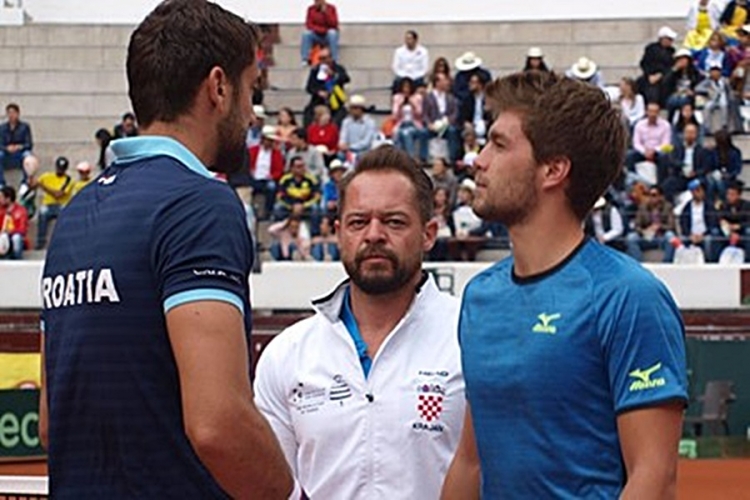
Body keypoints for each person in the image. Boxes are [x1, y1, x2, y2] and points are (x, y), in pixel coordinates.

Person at [38, 1, 294, 497]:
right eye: (249, 90)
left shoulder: (72, 217)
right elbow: (218, 423)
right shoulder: (200, 204)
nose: (251, 111)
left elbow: (51, 424)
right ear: (218, 87)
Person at [441, 71, 687, 499]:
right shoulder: (480, 297)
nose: (477, 160)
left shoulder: (628, 296)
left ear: (553, 170)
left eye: (499, 144)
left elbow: (654, 477)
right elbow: (470, 460)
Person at [255, 145, 464, 499]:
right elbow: (273, 488)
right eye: (358, 222)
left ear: (429, 234)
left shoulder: (469, 338)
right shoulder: (288, 354)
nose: (373, 235)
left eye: (394, 221)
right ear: (339, 234)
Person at [625, 185, 678, 263]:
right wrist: (644, 231)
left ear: (661, 196)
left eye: (654, 195)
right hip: (647, 237)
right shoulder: (643, 207)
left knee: (670, 236)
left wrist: (659, 226)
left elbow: (671, 225)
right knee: (631, 238)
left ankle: (667, 262)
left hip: (661, 237)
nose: (652, 198)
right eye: (650, 195)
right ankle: (639, 263)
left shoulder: (668, 207)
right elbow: (637, 225)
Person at [33, 156, 74, 250]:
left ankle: (62, 242)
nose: (60, 170)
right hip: (47, 205)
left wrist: (42, 186)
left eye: (62, 169)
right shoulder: (47, 176)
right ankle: (41, 241)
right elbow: (34, 185)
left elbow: (58, 194)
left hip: (61, 205)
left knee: (64, 213)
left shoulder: (69, 180)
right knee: (42, 213)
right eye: (59, 168)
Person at [304, 46, 350, 126]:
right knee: (308, 113)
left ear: (330, 58)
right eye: (321, 59)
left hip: (335, 102)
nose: (323, 61)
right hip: (319, 102)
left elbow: (346, 79)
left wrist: (333, 75)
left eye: (325, 58)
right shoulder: (315, 70)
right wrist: (318, 92)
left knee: (340, 116)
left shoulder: (338, 68)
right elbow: (309, 87)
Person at [679, 179, 721, 261]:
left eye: (699, 190)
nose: (698, 193)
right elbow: (683, 223)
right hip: (691, 235)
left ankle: (710, 261)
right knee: (680, 240)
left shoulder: (709, 206)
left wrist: (703, 235)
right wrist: (690, 235)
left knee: (710, 238)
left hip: (705, 234)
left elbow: (713, 223)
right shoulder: (687, 208)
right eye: (695, 191)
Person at [637, 26, 678, 106]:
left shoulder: (671, 51)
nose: (670, 42)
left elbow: (670, 66)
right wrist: (649, 75)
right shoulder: (651, 49)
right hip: (649, 77)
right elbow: (644, 63)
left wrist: (661, 74)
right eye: (669, 39)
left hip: (664, 77)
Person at [0, 103, 36, 187]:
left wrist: (19, 147)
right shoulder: (2, 128)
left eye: (13, 113)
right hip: (6, 153)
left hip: (20, 152)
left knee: (28, 156)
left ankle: (25, 182)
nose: (11, 115)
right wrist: (6, 148)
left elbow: (29, 144)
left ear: (18, 113)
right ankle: (1, 183)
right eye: (9, 113)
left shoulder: (25, 127)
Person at [392, 77, 427, 162]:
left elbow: (420, 114)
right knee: (398, 134)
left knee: (407, 133)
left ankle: (411, 158)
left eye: (408, 87)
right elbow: (395, 116)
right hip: (402, 123)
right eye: (404, 87)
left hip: (414, 124)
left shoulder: (417, 97)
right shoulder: (397, 98)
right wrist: (400, 106)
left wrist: (413, 105)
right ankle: (398, 158)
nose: (406, 89)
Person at [338, 94, 377, 159]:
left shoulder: (370, 123)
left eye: (355, 108)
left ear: (361, 109)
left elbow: (366, 142)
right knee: (340, 155)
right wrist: (342, 145)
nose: (353, 111)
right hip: (348, 151)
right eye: (351, 108)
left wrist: (350, 147)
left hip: (364, 151)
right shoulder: (346, 122)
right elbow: (343, 137)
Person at [0, 185, 28, 260]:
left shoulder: (21, 210)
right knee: (3, 237)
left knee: (16, 238)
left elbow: (22, 230)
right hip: (2, 237)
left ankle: (17, 258)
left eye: (1, 197)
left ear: (8, 199)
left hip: (15, 236)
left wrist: (10, 232)